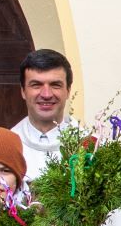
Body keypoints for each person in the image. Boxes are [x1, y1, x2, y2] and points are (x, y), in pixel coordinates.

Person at [13, 47, 75, 182]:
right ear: (23, 91)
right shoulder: (4, 146)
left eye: (55, 85)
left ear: (68, 90)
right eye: (36, 85)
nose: (46, 94)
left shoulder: (91, 147)